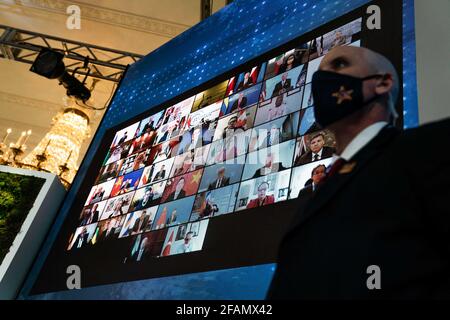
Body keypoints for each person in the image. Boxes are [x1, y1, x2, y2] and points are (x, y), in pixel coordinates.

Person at [268, 46, 450, 299]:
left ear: (383, 82)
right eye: (318, 74)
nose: (322, 81)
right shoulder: (312, 197)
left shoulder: (431, 148)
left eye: (340, 65)